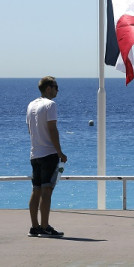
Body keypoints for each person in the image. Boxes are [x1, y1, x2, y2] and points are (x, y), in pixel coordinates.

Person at [26, 76, 67, 238]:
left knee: (36, 190)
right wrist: (60, 152)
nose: (58, 90)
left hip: (34, 153)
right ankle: (45, 226)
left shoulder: (31, 105)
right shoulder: (50, 105)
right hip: (48, 154)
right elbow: (52, 129)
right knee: (47, 190)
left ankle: (34, 227)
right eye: (56, 87)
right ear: (48, 88)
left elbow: (29, 129)